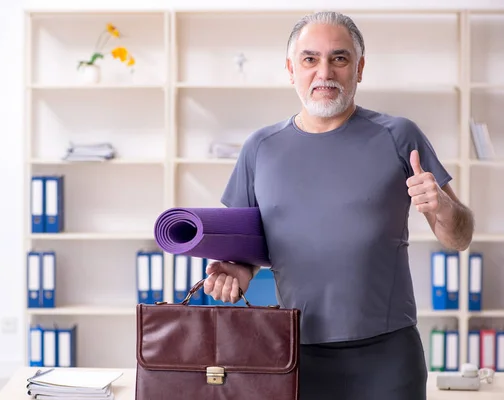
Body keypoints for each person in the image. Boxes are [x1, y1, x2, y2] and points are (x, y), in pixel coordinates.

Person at [203, 10, 474, 400]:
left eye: (340, 58)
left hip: (388, 354)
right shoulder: (260, 148)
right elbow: (247, 249)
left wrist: (442, 208)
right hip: (294, 350)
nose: (324, 72)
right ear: (290, 69)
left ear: (359, 68)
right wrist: (237, 272)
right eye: (310, 59)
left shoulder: (399, 135)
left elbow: (459, 237)